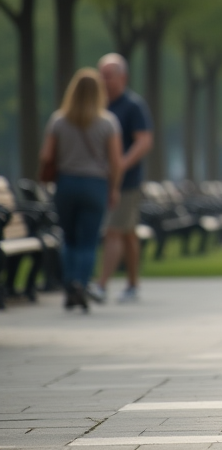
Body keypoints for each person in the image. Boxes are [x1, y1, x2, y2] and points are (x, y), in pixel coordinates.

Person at [39, 68, 122, 312]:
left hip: (66, 183)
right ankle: (81, 284)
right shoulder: (108, 122)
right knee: (88, 241)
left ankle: (68, 286)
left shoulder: (59, 120)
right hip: (95, 185)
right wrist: (114, 188)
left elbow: (46, 155)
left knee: (69, 238)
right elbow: (116, 161)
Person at [95, 53, 154, 304]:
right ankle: (132, 284)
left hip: (127, 182)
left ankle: (100, 285)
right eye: (102, 75)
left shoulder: (132, 105)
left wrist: (122, 164)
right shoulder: (98, 104)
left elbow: (144, 141)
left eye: (109, 76)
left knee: (114, 231)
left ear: (123, 77)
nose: (104, 80)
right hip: (101, 179)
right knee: (128, 234)